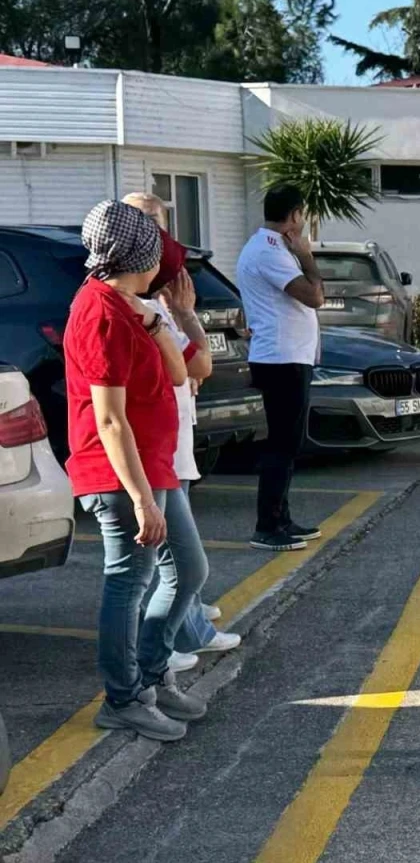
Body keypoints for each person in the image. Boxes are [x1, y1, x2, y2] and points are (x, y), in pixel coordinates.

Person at [65, 200, 209, 742]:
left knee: (188, 571)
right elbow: (109, 420)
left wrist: (156, 323)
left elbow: (179, 375)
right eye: (157, 251)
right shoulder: (101, 312)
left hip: (154, 464)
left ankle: (150, 674)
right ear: (139, 256)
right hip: (122, 475)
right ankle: (124, 698)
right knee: (129, 582)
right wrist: (142, 500)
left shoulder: (129, 306)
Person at [122, 192, 240, 663]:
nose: (159, 236)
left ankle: (186, 629)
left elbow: (196, 364)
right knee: (164, 562)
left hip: (174, 436)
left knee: (180, 560)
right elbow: (192, 363)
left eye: (161, 224)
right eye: (147, 223)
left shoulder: (159, 295)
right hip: (153, 446)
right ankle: (163, 645)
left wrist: (186, 324)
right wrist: (186, 327)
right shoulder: (133, 302)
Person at [235, 184, 325, 552]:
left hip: (288, 357)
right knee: (281, 445)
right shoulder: (269, 251)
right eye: (302, 215)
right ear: (294, 216)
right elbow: (314, 296)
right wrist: (306, 256)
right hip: (280, 359)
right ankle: (267, 526)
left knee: (288, 444)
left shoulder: (270, 248)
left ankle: (282, 519)